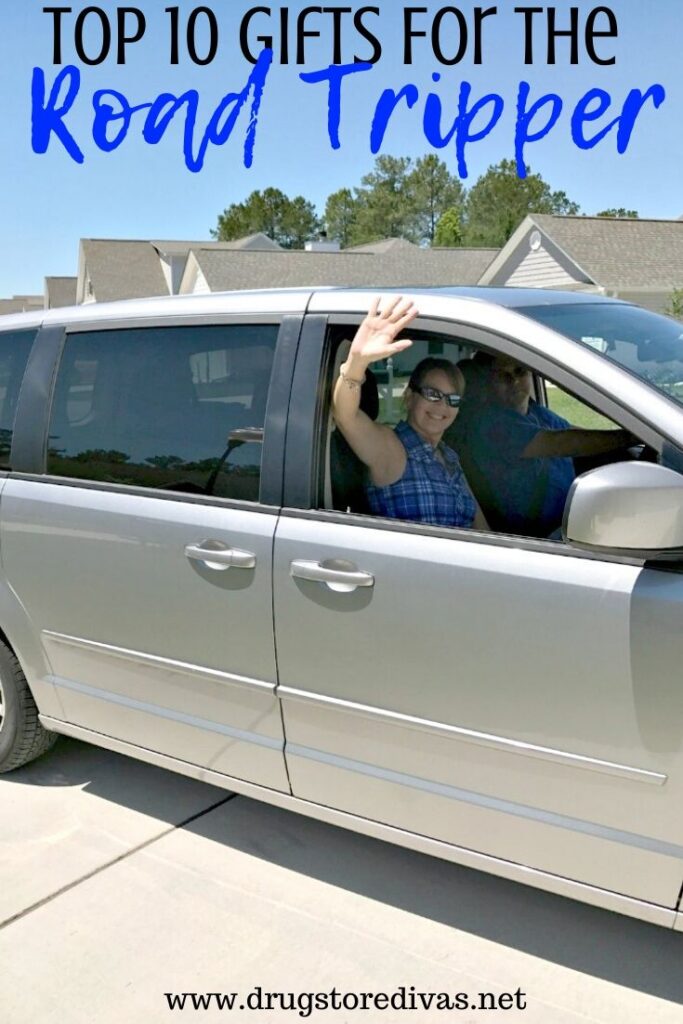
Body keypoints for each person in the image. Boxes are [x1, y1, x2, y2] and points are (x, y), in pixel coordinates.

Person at [331, 297, 487, 529]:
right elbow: (346, 416)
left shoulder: (450, 458)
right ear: (409, 397)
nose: (441, 406)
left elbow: (483, 531)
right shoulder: (392, 449)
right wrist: (356, 363)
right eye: (432, 394)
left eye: (452, 399)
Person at [448, 353, 635, 537]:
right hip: (538, 539)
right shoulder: (490, 425)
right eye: (503, 376)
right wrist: (629, 436)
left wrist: (635, 437)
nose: (513, 381)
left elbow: (571, 432)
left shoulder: (536, 412)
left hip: (569, 519)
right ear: (489, 383)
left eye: (520, 371)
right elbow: (561, 443)